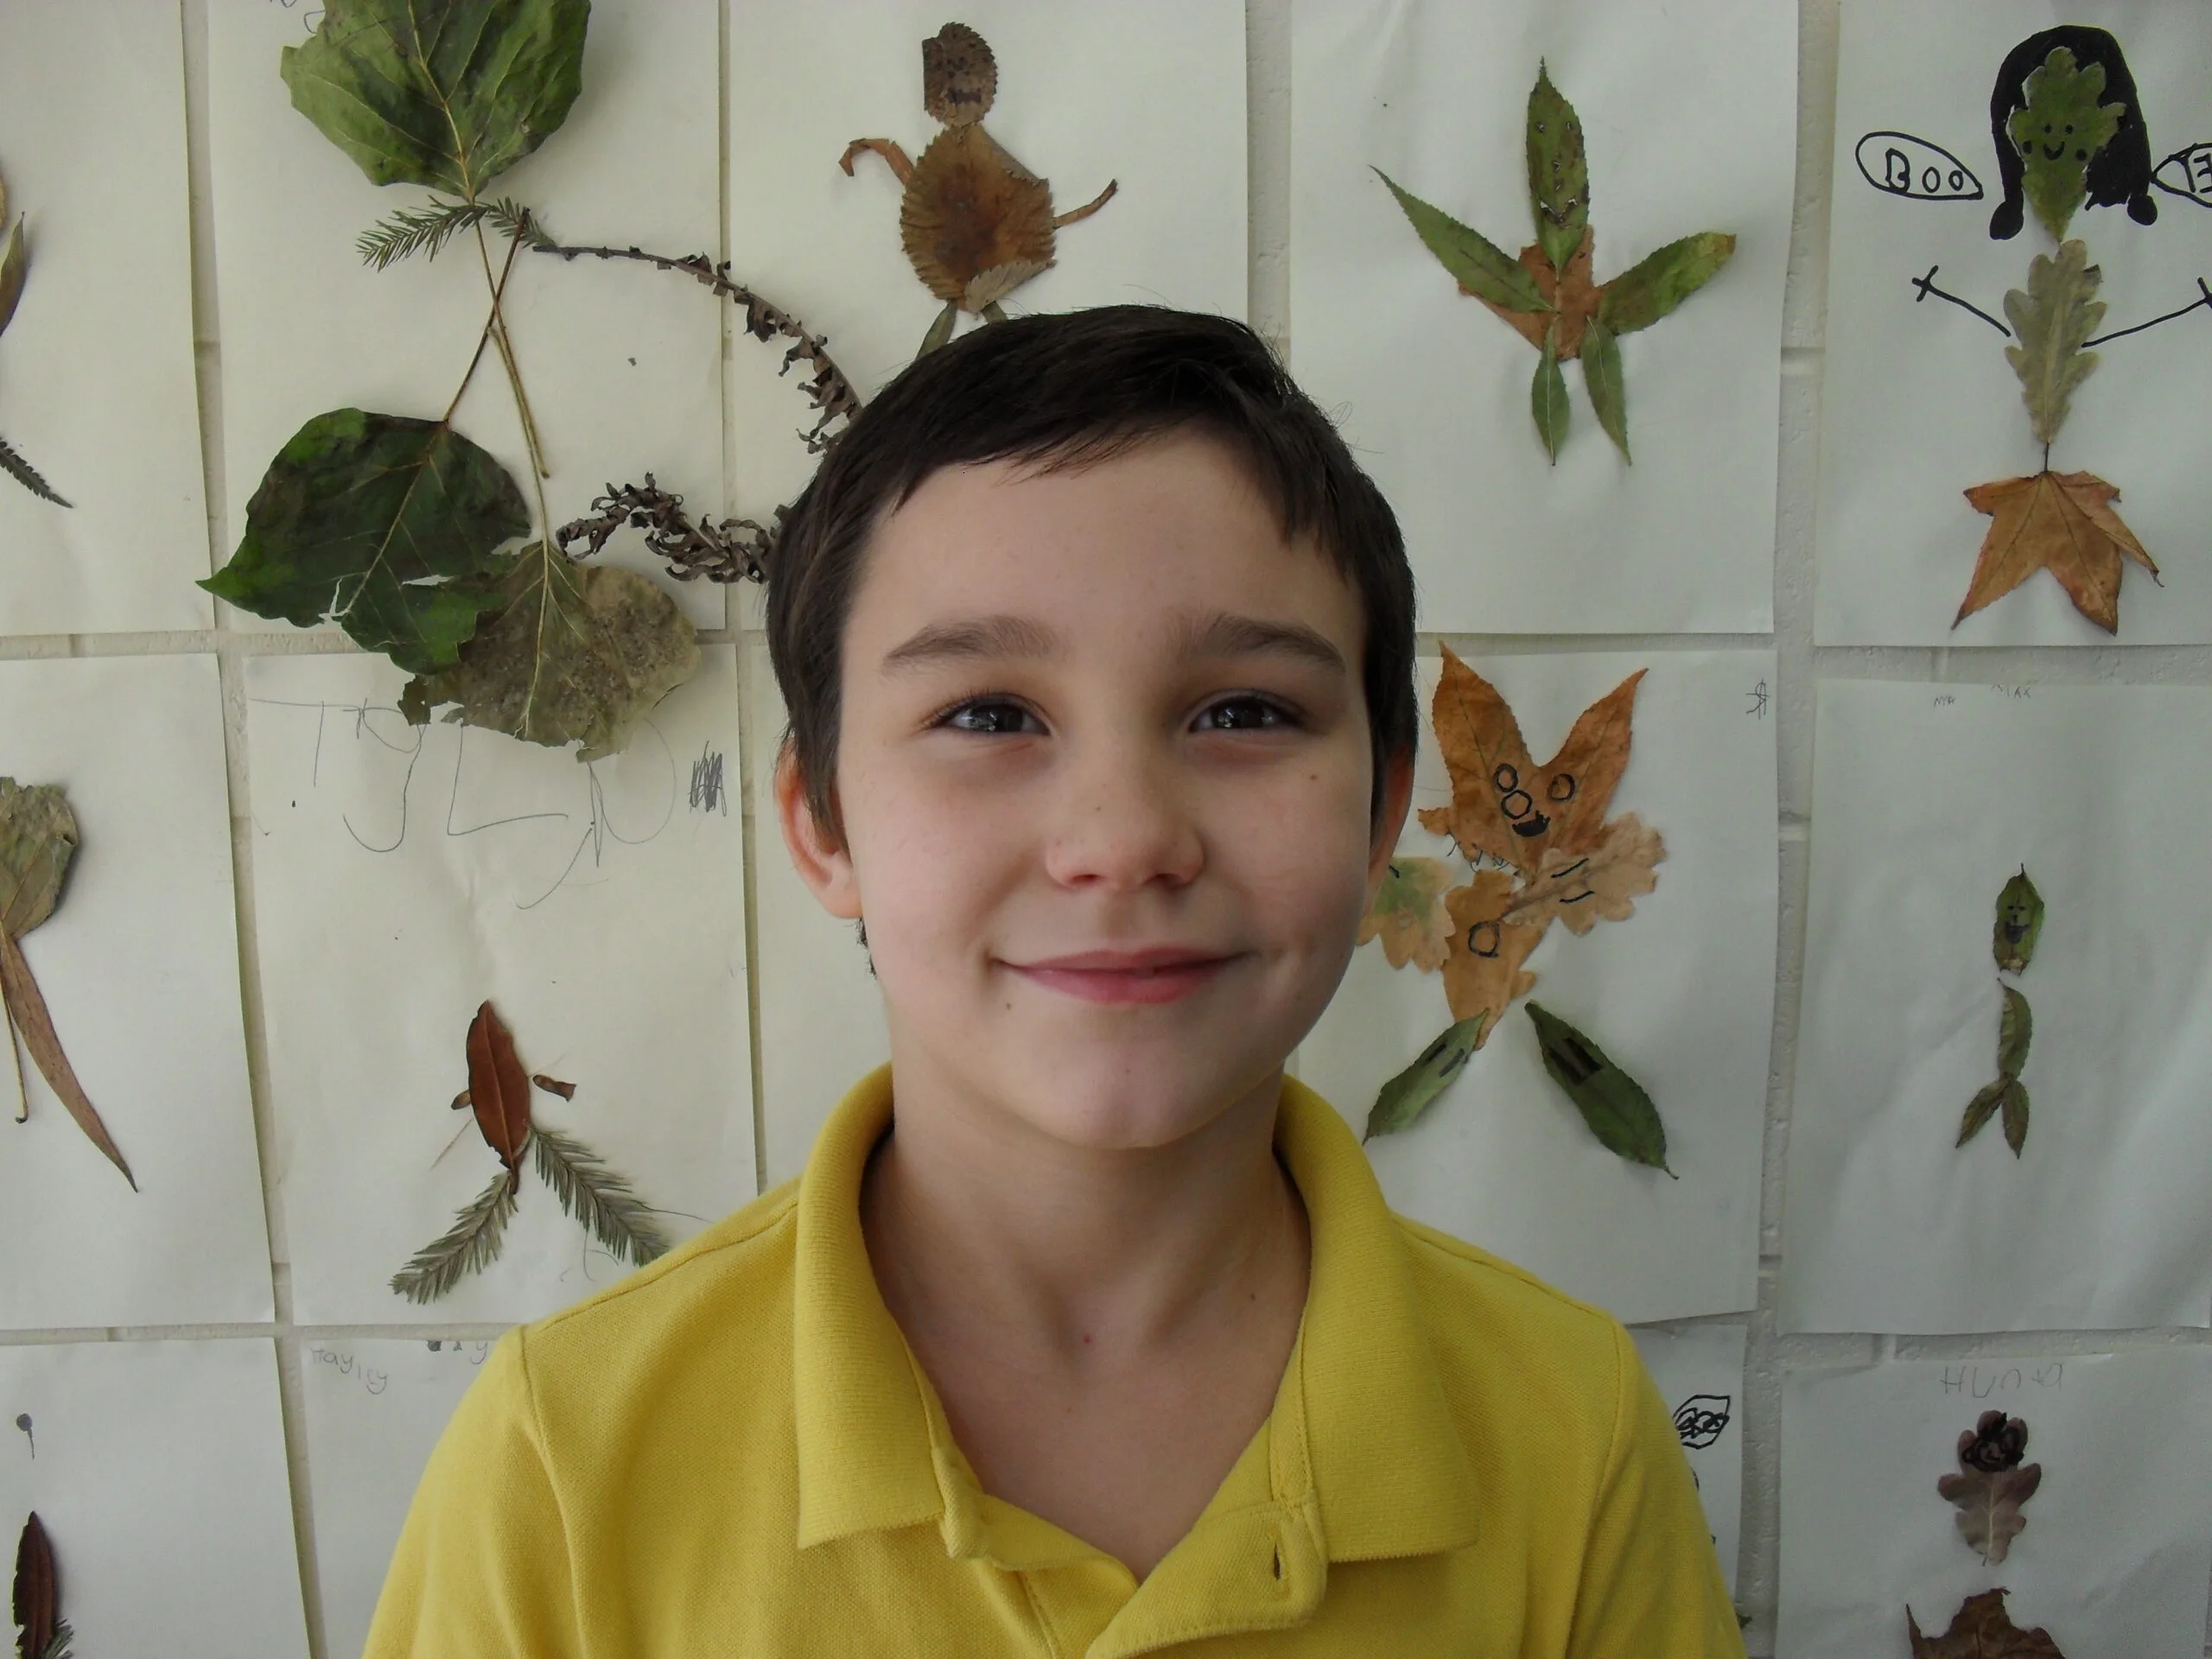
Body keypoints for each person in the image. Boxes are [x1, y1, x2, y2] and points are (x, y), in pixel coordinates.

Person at [365, 307, 1742, 1656]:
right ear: (821, 824)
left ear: (1383, 814)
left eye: (1246, 711)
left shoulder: (1574, 1434)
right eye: (989, 716)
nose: (1126, 837)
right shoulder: (569, 1461)